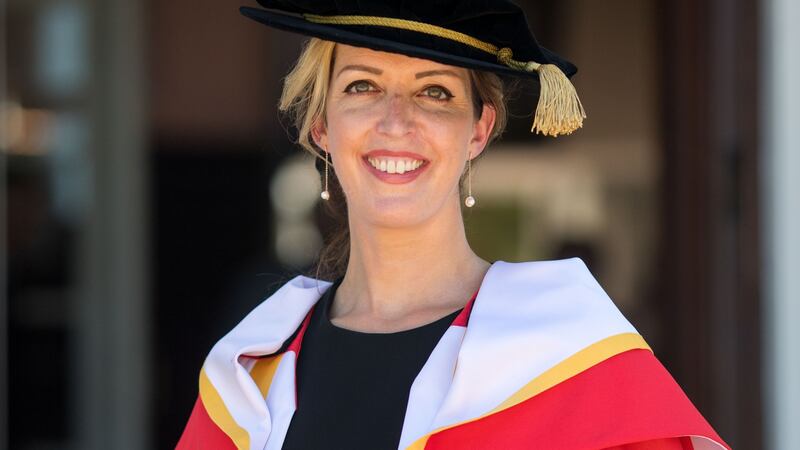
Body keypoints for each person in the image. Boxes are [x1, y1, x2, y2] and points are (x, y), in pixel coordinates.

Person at [176, 1, 731, 449]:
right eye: (362, 86)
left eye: (434, 92)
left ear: (478, 131)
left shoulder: (568, 358)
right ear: (322, 125)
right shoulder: (250, 373)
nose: (396, 122)